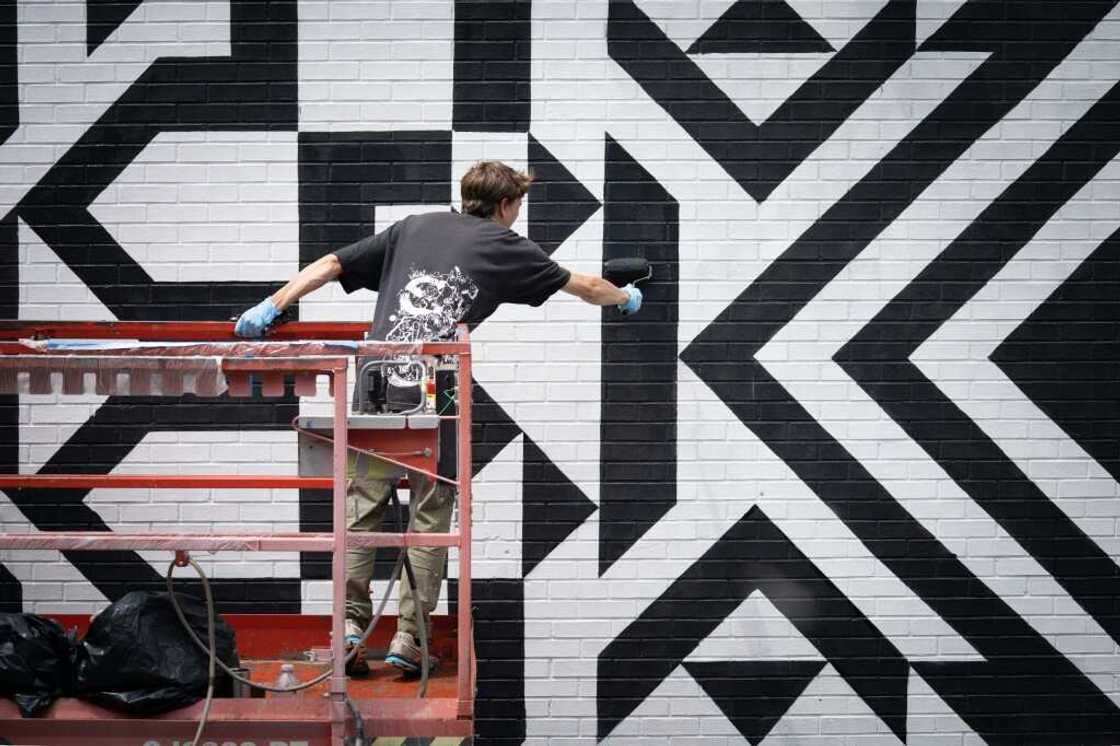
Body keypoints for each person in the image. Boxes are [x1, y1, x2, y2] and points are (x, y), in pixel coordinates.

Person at [234, 161, 642, 675]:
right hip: (438, 390)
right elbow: (583, 285)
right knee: (431, 511)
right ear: (506, 206)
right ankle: (409, 639)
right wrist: (626, 298)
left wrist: (272, 305)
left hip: (375, 380)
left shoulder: (415, 226)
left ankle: (350, 632)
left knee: (362, 509)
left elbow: (332, 264)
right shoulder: (507, 245)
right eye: (517, 205)